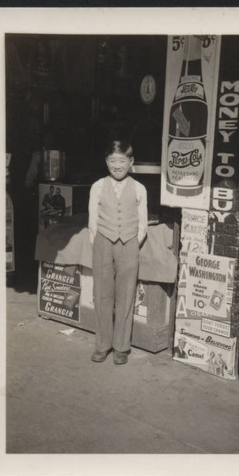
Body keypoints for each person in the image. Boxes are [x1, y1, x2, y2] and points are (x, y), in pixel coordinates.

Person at [88, 141, 147, 365]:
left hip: (129, 243)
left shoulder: (140, 188)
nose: (117, 165)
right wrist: (99, 241)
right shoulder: (97, 186)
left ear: (131, 162)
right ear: (106, 162)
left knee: (126, 295)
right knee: (102, 294)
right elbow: (92, 219)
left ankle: (121, 347)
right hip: (103, 241)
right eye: (112, 161)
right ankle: (102, 346)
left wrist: (131, 242)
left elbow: (143, 223)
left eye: (122, 161)